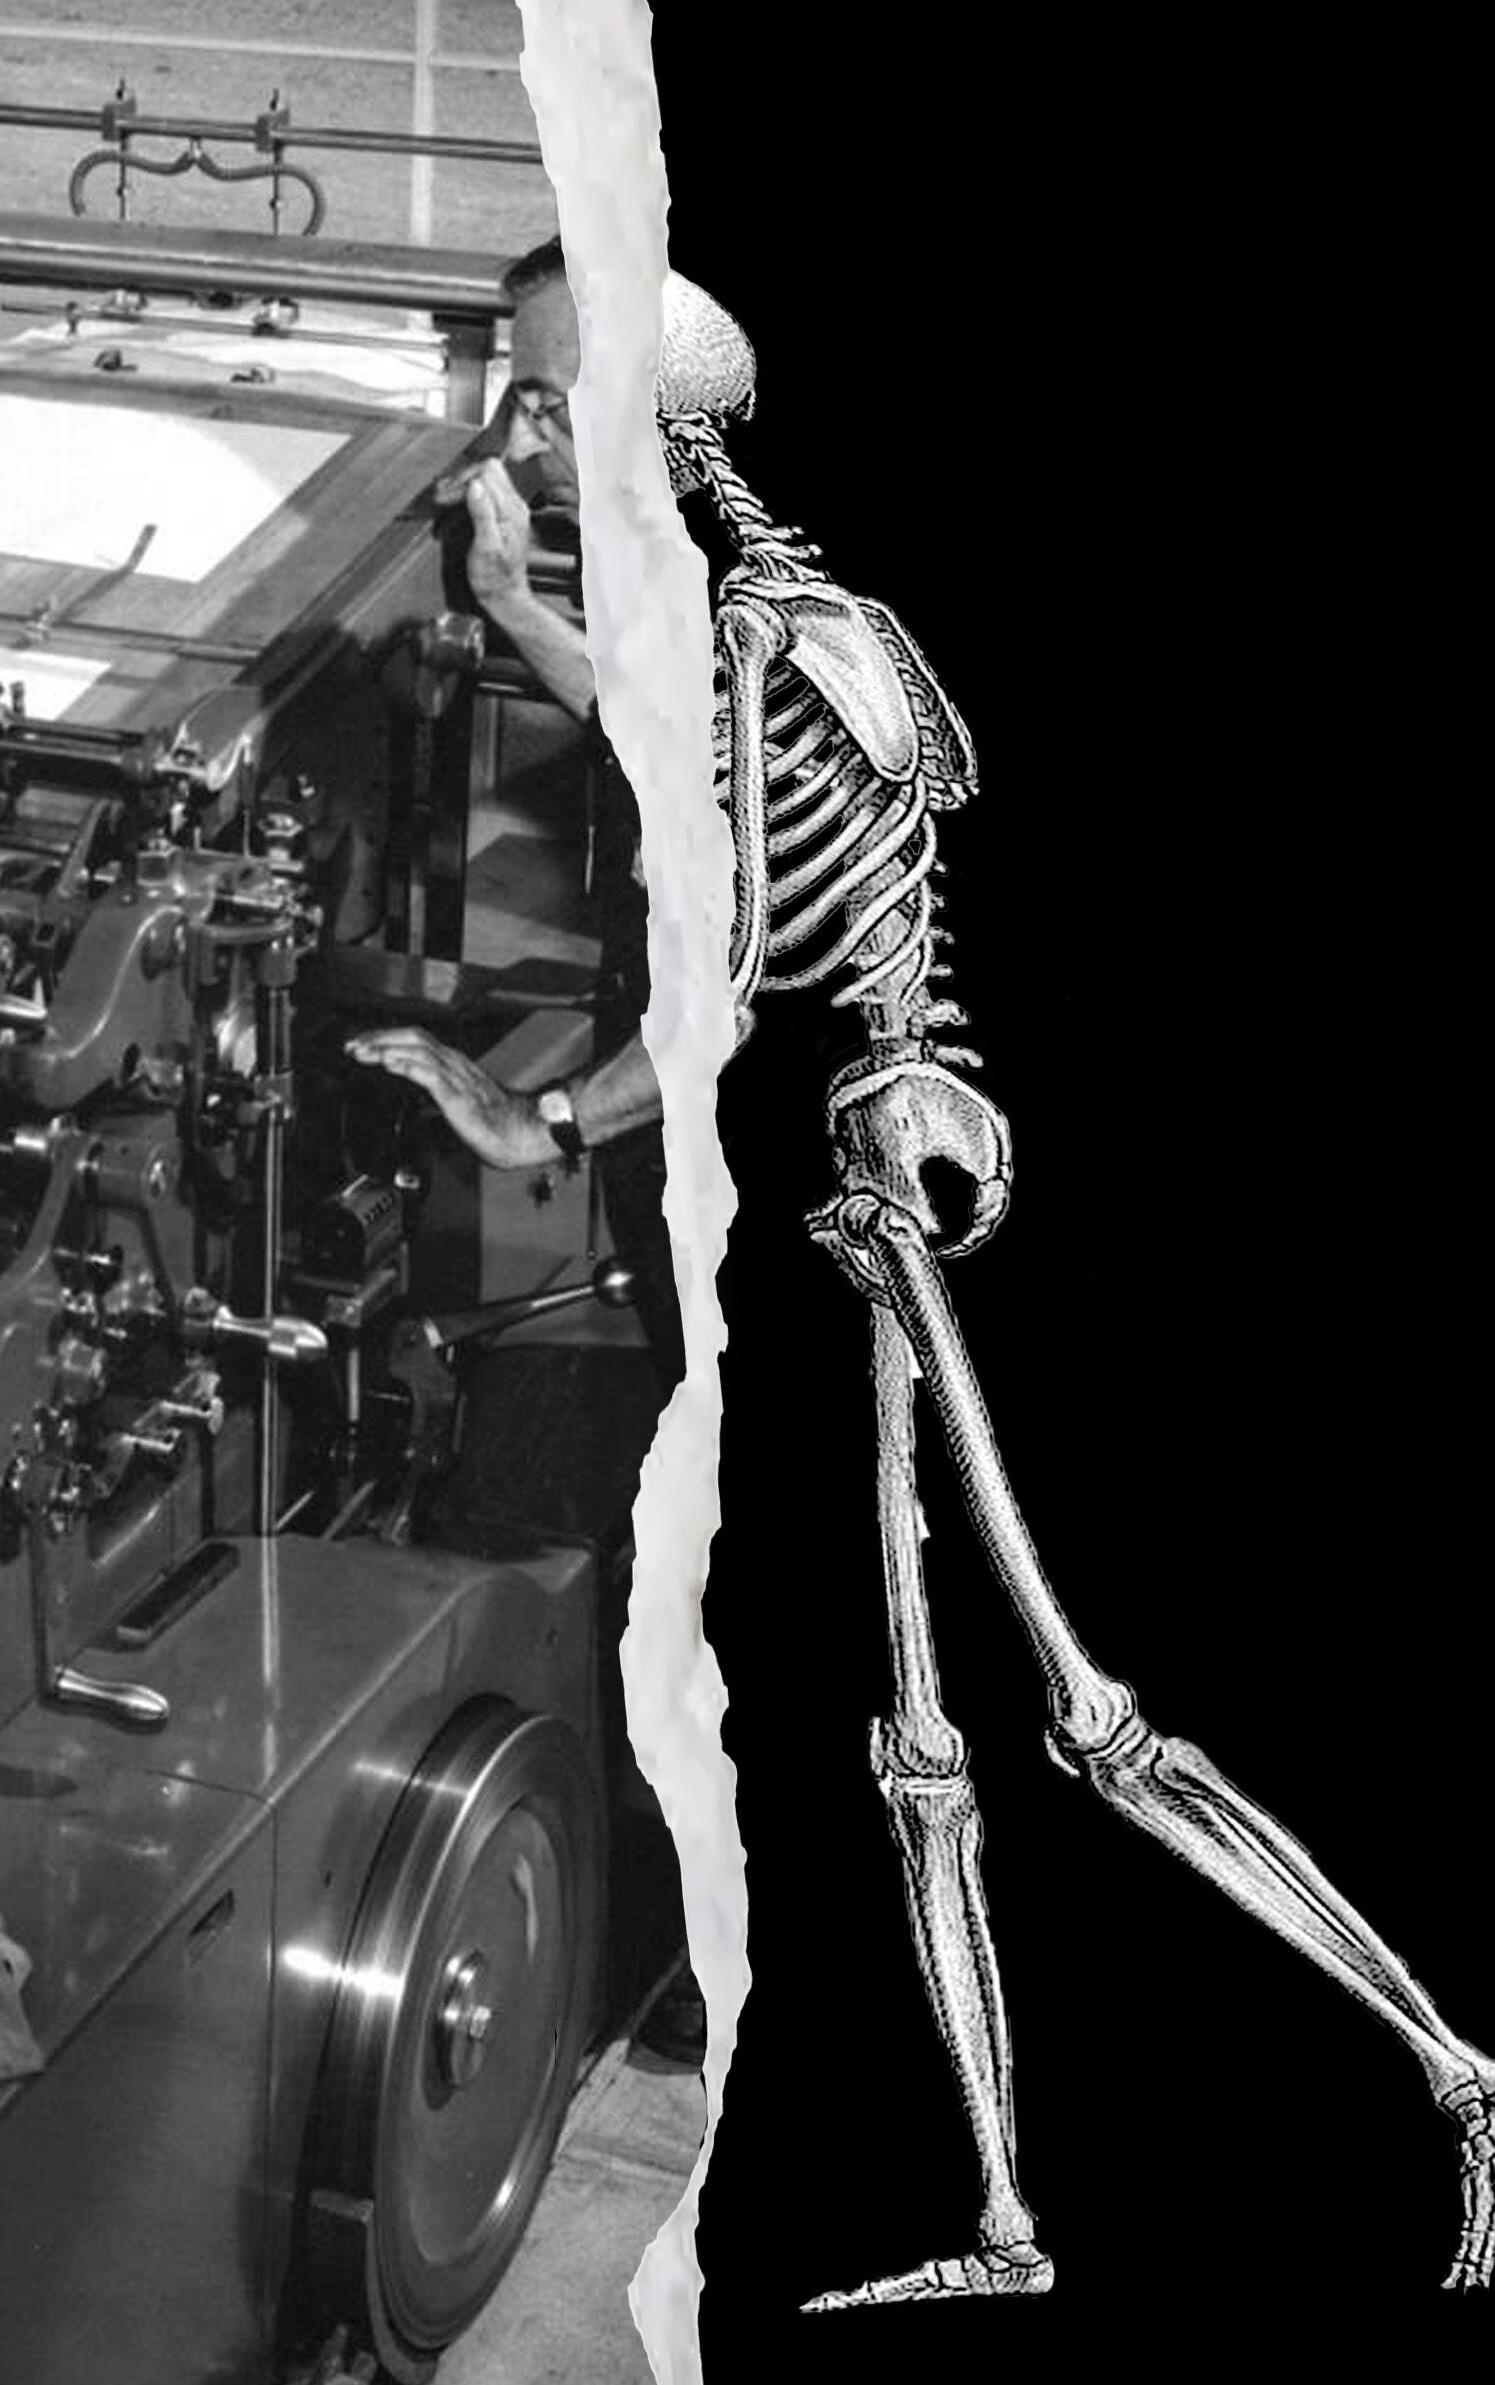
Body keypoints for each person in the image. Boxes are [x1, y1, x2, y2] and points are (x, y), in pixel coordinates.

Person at [347, 235, 699, 2064]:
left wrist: (543, 1116)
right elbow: (666, 736)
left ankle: (710, 1972)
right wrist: (506, 598)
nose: (520, 435)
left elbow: (739, 986)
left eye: (552, 400)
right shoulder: (677, 554)